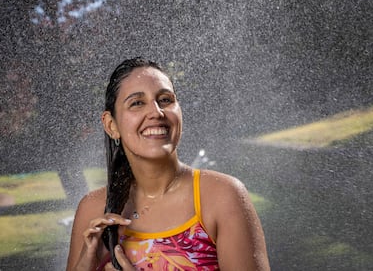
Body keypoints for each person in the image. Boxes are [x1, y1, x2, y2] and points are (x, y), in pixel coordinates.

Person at [66, 57, 270, 271]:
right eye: (137, 103)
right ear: (111, 125)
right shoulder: (92, 211)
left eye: (165, 100)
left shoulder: (221, 196)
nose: (156, 112)